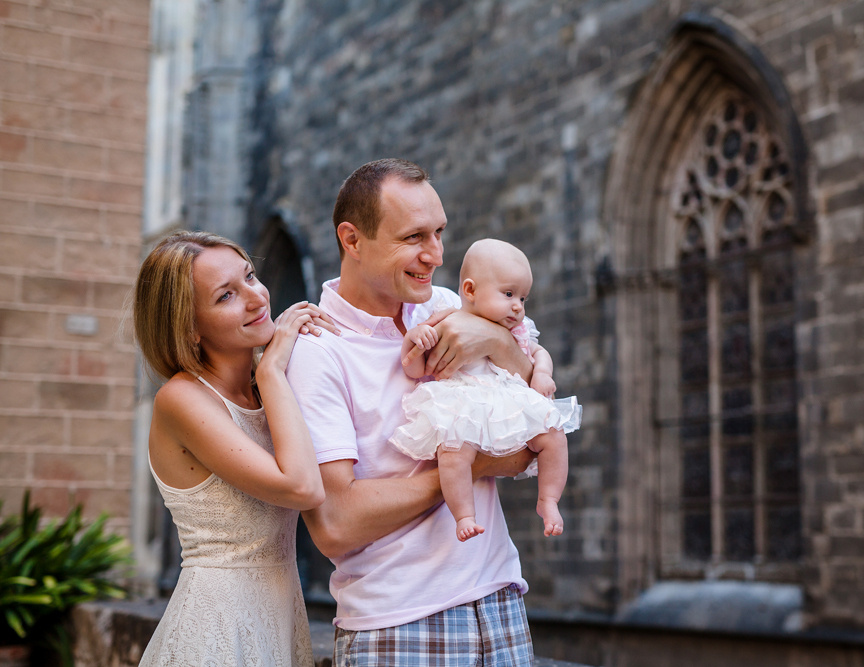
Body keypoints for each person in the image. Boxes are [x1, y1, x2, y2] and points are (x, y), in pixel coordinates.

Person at [287, 158, 538, 665]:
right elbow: (335, 523)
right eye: (414, 237)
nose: (436, 255)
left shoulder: (450, 306)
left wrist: (493, 339)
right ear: (352, 240)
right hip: (398, 624)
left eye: (440, 232)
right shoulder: (317, 353)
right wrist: (473, 468)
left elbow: (536, 433)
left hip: (501, 600)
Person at [132, 231, 336, 667]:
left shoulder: (267, 385)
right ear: (189, 326)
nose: (257, 297)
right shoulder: (182, 399)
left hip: (282, 615)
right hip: (215, 628)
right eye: (226, 295)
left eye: (250, 276)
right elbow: (302, 487)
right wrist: (275, 371)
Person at [389, 238, 579, 541]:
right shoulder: (448, 319)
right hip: (464, 403)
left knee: (553, 433)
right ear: (470, 290)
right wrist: (415, 340)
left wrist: (542, 373)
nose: (517, 305)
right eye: (508, 293)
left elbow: (539, 351)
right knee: (454, 454)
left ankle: (549, 499)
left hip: (507, 402)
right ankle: (464, 514)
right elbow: (416, 369)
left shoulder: (516, 330)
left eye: (523, 297)